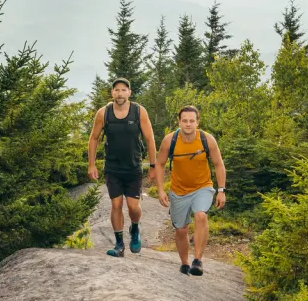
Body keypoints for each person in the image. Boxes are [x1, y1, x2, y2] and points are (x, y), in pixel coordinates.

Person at [87, 78, 159, 257]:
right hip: (112, 167)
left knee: (133, 207)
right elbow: (94, 138)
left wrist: (152, 165)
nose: (120, 93)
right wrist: (91, 164)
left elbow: (150, 139)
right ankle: (119, 244)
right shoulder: (103, 113)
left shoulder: (138, 111)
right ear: (112, 93)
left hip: (133, 166)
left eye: (123, 90)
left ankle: (135, 229)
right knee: (116, 204)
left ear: (129, 93)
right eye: (116, 90)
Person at [156, 105, 226, 276]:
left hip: (203, 187)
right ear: (179, 122)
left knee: (201, 215)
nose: (188, 124)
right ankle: (185, 262)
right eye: (185, 121)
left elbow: (218, 164)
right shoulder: (169, 141)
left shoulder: (207, 140)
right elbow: (159, 164)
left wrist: (221, 189)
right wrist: (160, 190)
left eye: (192, 121)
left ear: (197, 122)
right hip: (178, 191)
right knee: (181, 230)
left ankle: (198, 260)